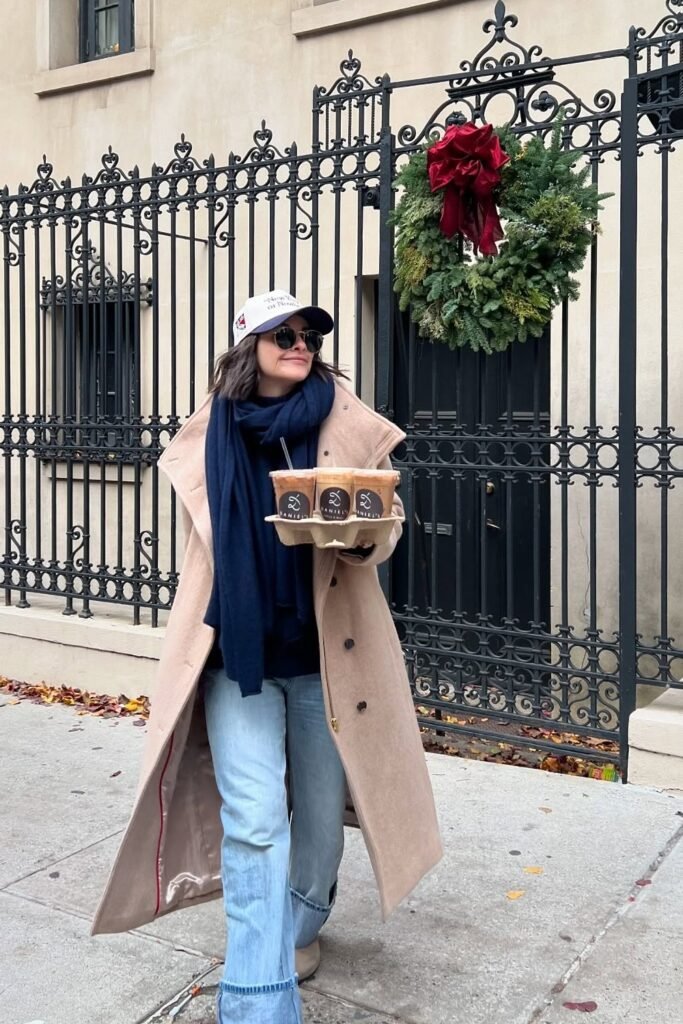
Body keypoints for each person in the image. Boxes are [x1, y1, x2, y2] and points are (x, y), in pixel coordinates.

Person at [92, 290, 443, 1024]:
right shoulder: (209, 435)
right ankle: (257, 1001)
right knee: (254, 821)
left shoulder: (341, 421)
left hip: (324, 658)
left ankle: (300, 924)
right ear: (246, 347)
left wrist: (357, 536)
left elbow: (388, 525)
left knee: (317, 825)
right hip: (236, 659)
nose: (300, 341)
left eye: (309, 331)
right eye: (281, 332)